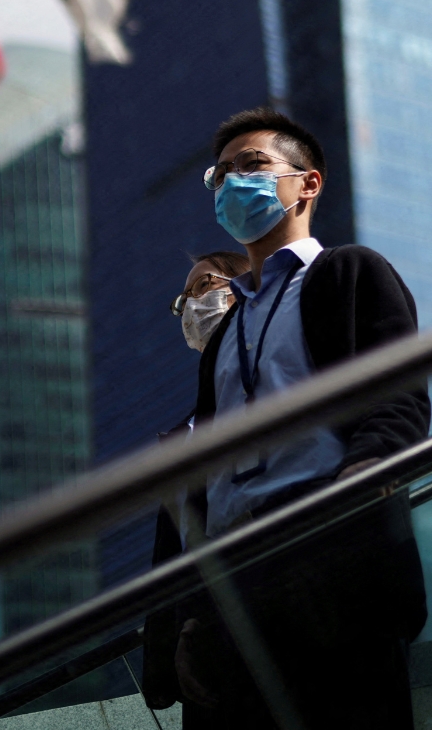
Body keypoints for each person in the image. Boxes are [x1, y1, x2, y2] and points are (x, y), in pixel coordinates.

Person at [154, 108, 430, 730]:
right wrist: (194, 614)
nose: (232, 184)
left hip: (327, 545)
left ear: (309, 183)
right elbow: (208, 479)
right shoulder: (224, 336)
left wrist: (361, 486)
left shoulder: (347, 272)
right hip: (232, 584)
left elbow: (398, 396)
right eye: (220, 176)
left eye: (252, 166)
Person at [141, 248, 254, 712]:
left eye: (203, 286)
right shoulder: (182, 437)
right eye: (184, 297)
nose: (191, 304)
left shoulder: (272, 381)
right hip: (200, 640)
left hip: (267, 603)